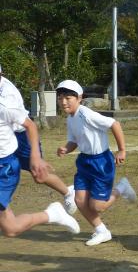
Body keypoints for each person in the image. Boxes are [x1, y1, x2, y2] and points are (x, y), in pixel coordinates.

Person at [54, 80, 136, 246]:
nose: (63, 102)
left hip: (101, 163)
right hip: (84, 162)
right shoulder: (70, 118)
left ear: (79, 98)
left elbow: (114, 123)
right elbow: (74, 141)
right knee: (79, 200)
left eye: (68, 98)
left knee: (97, 206)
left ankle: (122, 188)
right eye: (60, 98)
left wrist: (122, 150)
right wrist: (66, 149)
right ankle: (101, 231)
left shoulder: (86, 114)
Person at [0, 64, 76, 214]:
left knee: (38, 174)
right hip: (7, 135)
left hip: (21, 135)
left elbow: (29, 125)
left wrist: (35, 156)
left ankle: (68, 193)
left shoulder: (7, 96)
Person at [0, 95, 80, 237]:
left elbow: (30, 125)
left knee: (11, 228)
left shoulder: (5, 104)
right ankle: (54, 213)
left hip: (5, 168)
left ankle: (55, 210)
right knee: (10, 228)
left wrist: (35, 156)